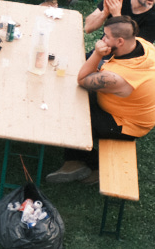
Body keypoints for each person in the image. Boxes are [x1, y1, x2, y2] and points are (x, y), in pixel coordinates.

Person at [45, 16, 155, 184]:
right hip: (126, 108)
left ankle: (86, 164)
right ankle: (76, 158)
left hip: (124, 125)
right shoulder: (142, 45)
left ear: (119, 41)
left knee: (72, 113)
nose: (102, 39)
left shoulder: (118, 78)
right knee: (72, 97)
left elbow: (82, 79)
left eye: (106, 36)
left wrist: (97, 53)